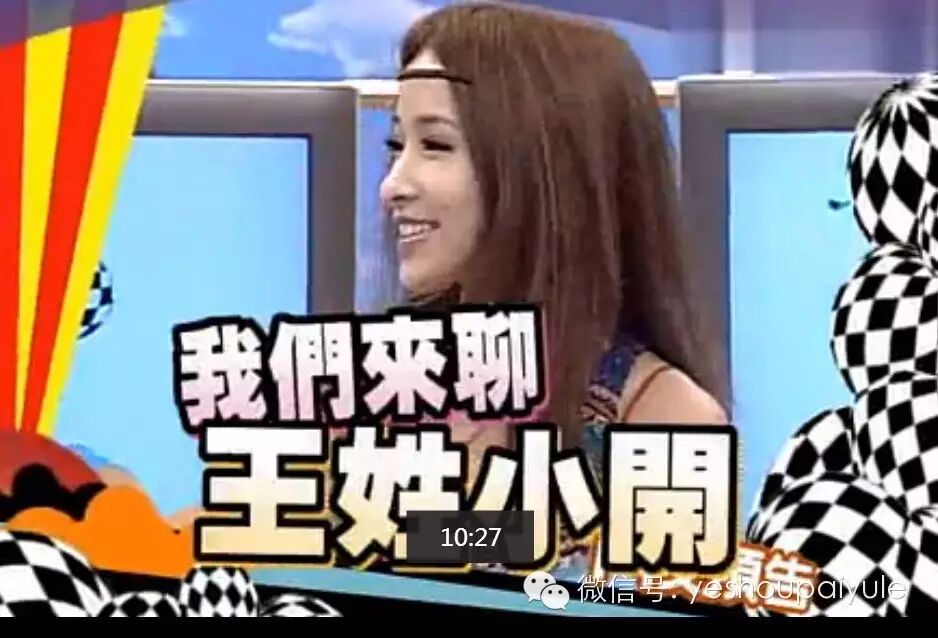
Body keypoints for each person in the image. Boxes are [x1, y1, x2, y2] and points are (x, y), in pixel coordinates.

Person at [379, 1, 730, 579]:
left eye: (435, 146)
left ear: (545, 166)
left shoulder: (664, 420)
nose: (393, 186)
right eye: (397, 146)